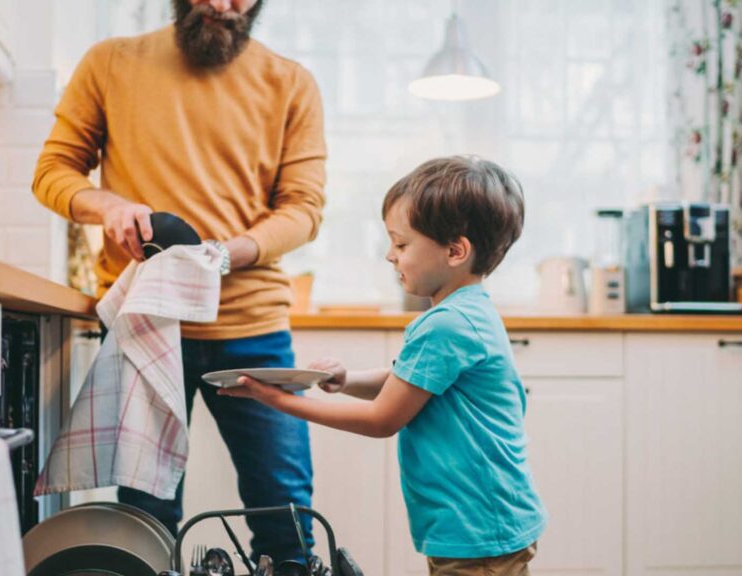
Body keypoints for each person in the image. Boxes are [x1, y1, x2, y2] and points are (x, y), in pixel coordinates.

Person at [31, 0, 327, 560]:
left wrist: (225, 255)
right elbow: (53, 172)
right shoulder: (110, 63)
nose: (221, 4)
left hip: (252, 327)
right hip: (148, 322)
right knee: (146, 517)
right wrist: (108, 206)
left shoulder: (292, 83)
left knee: (284, 511)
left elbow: (304, 209)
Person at [221, 156, 548, 575]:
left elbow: (381, 419)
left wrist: (275, 400)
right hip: (482, 520)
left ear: (455, 251)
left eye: (401, 244)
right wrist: (345, 380)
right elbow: (406, 383)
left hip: (478, 530)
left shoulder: (446, 325)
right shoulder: (468, 311)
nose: (390, 256)